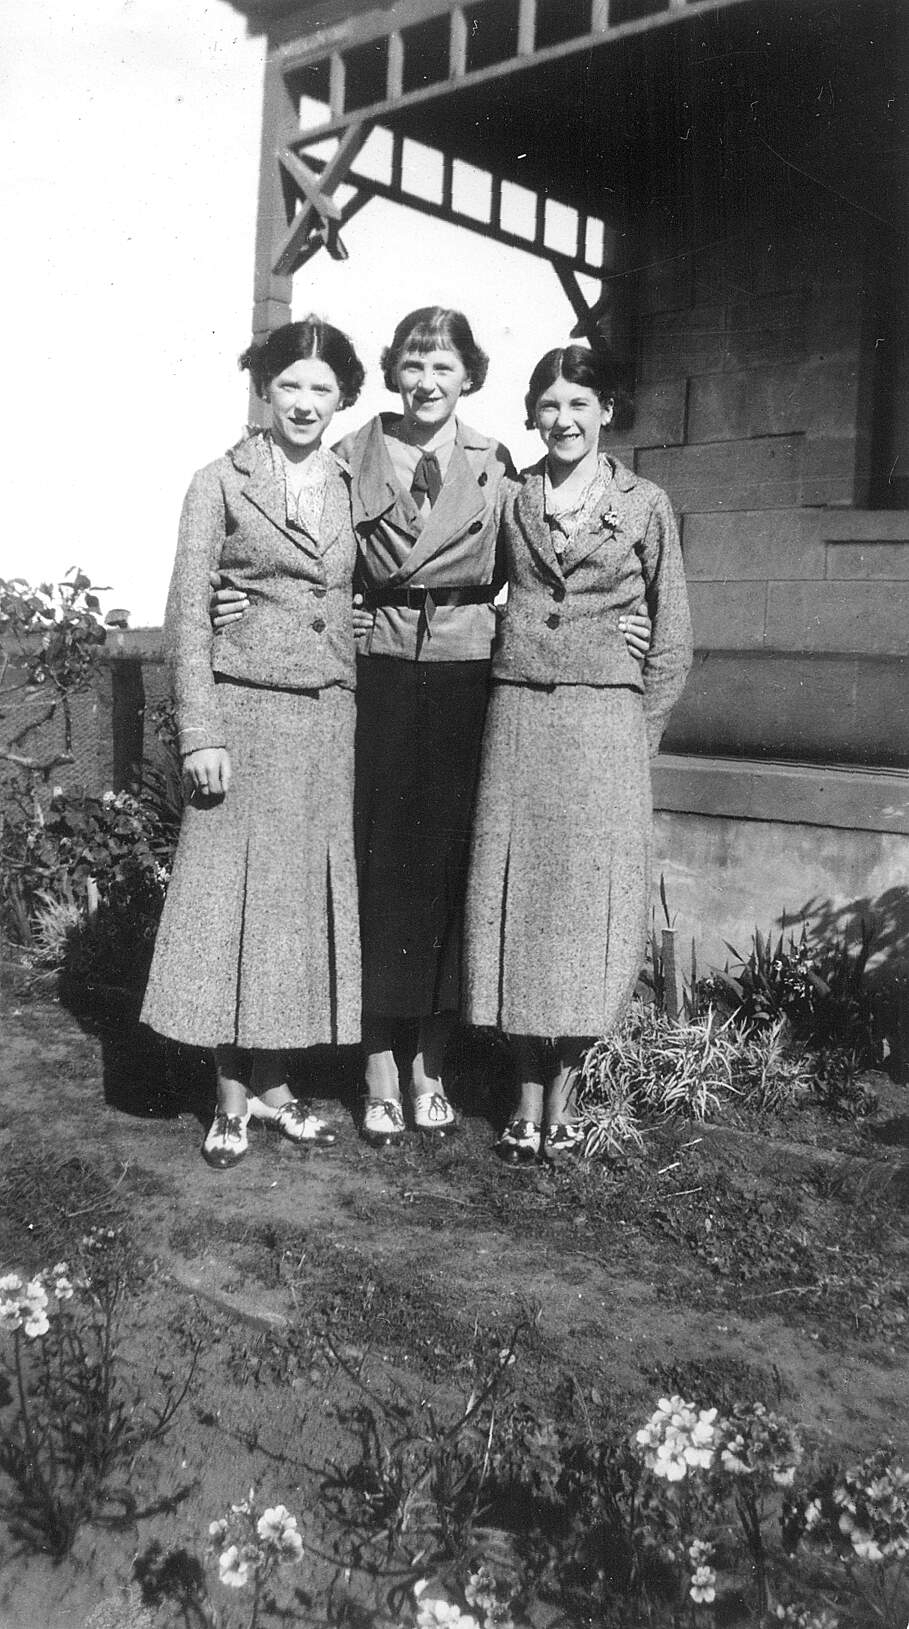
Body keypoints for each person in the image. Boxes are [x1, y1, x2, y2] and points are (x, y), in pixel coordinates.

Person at [212, 308, 650, 1149]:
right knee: (376, 859)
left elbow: (550, 572)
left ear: (469, 377)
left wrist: (620, 625)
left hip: (465, 675)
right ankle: (377, 1065)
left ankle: (431, 1067)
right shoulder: (344, 461)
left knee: (455, 864)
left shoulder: (501, 471)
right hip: (372, 670)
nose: (426, 382)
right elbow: (286, 546)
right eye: (413, 365)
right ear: (391, 374)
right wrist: (226, 601)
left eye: (444, 367)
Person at [141, 317, 365, 1169]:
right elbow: (187, 612)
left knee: (292, 909)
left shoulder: (351, 484)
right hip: (242, 720)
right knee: (230, 904)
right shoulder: (219, 480)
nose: (305, 403)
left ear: (342, 397)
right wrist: (202, 730)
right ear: (262, 392)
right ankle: (228, 1100)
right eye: (289, 386)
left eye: (321, 388)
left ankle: (274, 1088)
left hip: (324, 721)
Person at [463, 343, 693, 1164]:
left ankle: (563, 1092)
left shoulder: (644, 502)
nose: (563, 419)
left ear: (605, 412)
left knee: (583, 912)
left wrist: (638, 732)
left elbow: (672, 637)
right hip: (518, 716)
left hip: (604, 731)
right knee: (519, 902)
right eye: (549, 404)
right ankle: (522, 1090)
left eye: (579, 403)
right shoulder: (510, 495)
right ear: (534, 413)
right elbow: (461, 582)